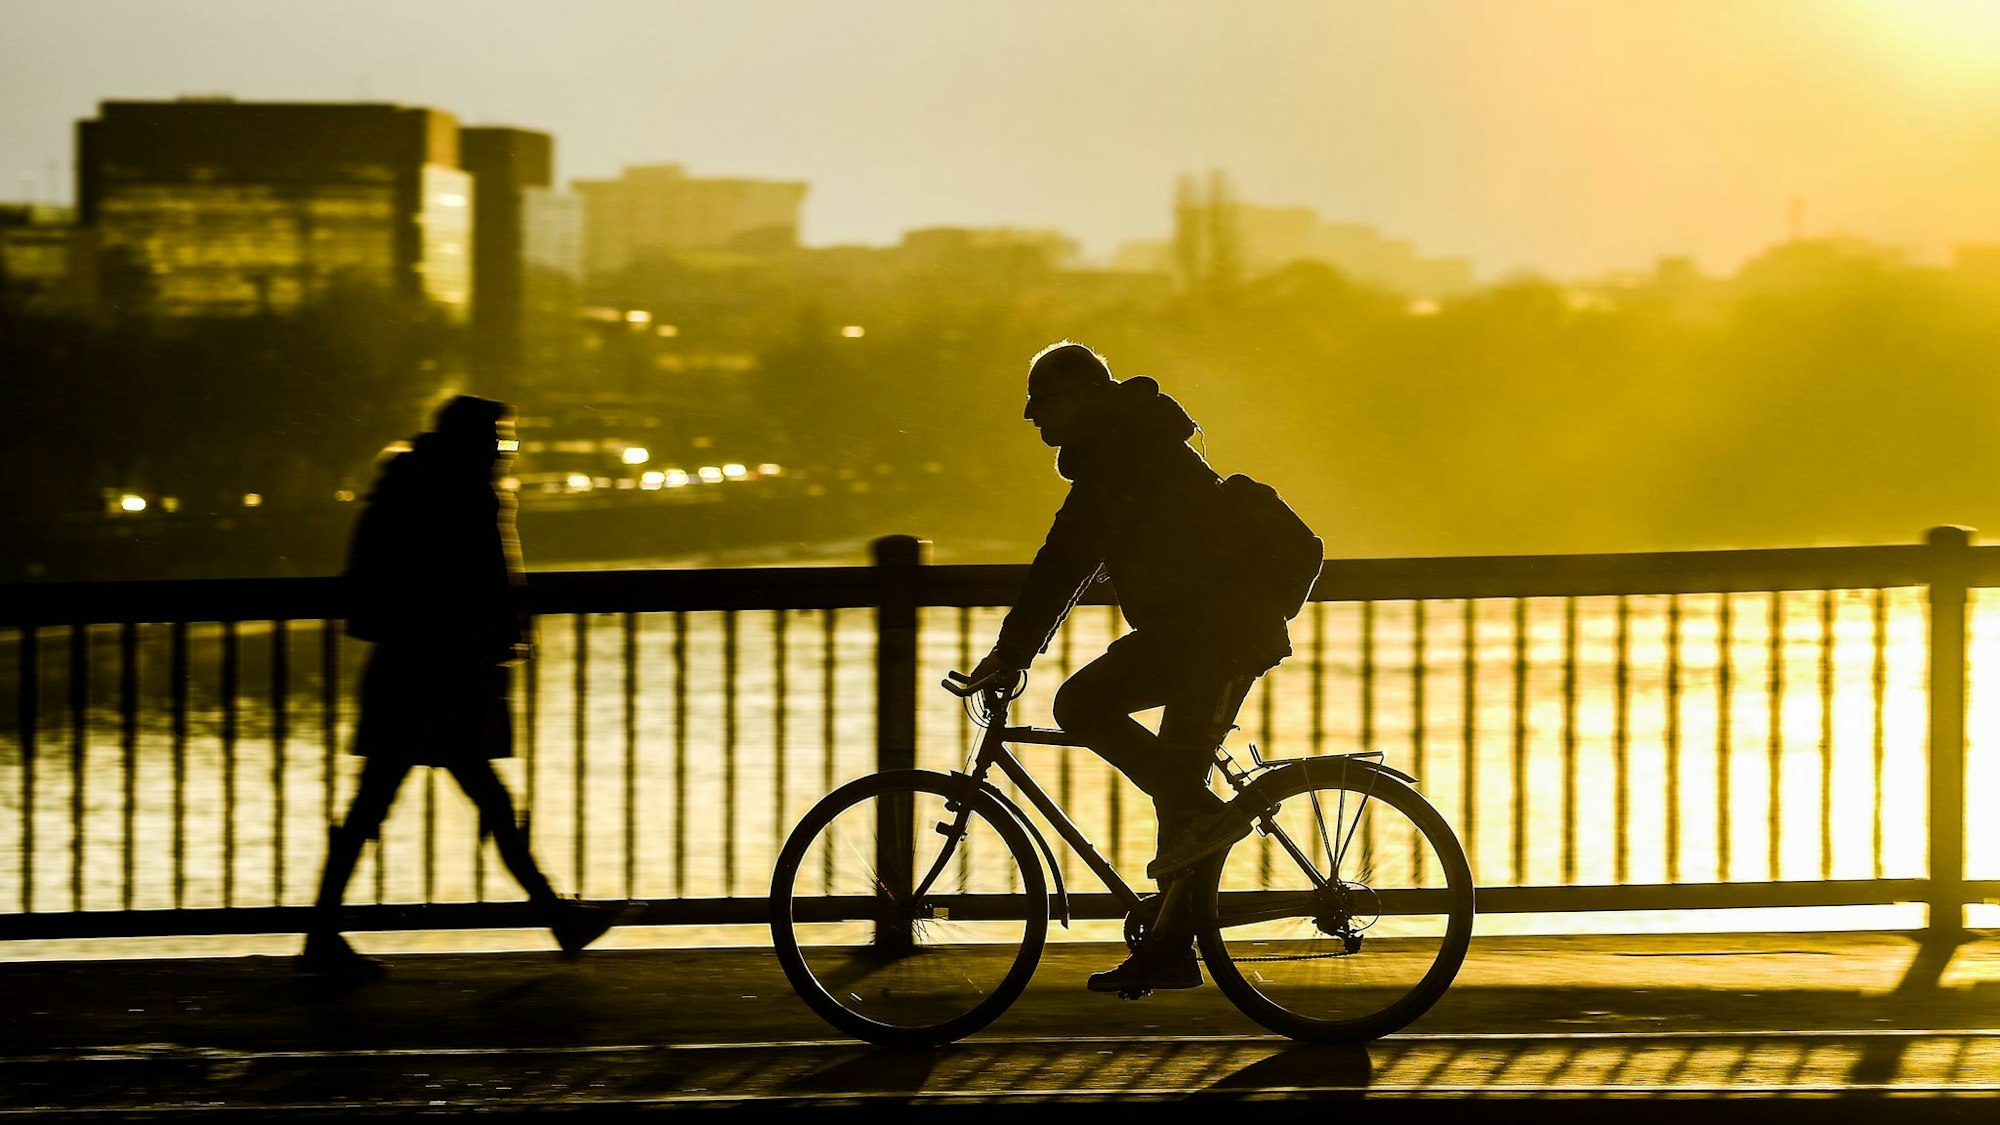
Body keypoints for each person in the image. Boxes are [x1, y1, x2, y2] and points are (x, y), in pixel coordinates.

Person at [968, 341, 1301, 996]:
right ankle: (1173, 945)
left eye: (1044, 400)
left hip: (1222, 635)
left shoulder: (1121, 456)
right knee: (1171, 786)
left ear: (1086, 396)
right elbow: (1074, 559)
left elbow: (1064, 557)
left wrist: (1011, 654)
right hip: (1192, 634)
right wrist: (1016, 650)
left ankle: (1198, 826)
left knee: (1090, 713)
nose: (1033, 415)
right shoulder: (1121, 446)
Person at [298, 395, 621, 978]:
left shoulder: (412, 485)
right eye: (502, 440)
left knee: (379, 805)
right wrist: (500, 638)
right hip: (445, 672)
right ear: (475, 443)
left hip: (408, 670)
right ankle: (555, 916)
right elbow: (480, 583)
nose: (505, 453)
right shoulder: (464, 494)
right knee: (484, 804)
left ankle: (322, 932)